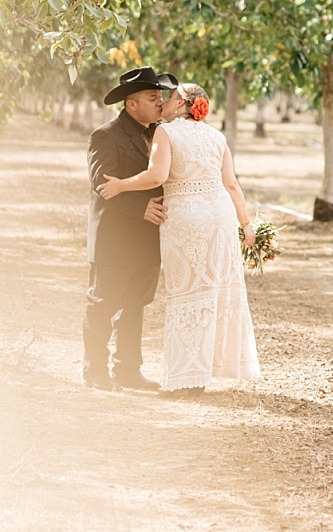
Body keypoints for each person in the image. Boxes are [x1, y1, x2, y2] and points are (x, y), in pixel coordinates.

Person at [98, 83, 261, 395]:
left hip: (186, 219)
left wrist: (121, 185)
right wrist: (246, 224)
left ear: (183, 103)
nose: (164, 103)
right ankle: (201, 377)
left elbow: (157, 176)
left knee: (186, 296)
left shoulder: (167, 133)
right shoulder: (217, 137)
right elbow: (232, 185)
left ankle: (185, 378)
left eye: (170, 98)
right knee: (211, 296)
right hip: (219, 219)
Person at [84, 67, 179, 391]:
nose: (160, 103)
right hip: (114, 236)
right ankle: (95, 370)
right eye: (153, 98)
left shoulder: (160, 134)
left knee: (136, 304)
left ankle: (127, 369)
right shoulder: (105, 135)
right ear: (131, 104)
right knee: (104, 303)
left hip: (148, 238)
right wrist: (142, 207)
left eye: (161, 97)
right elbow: (103, 185)